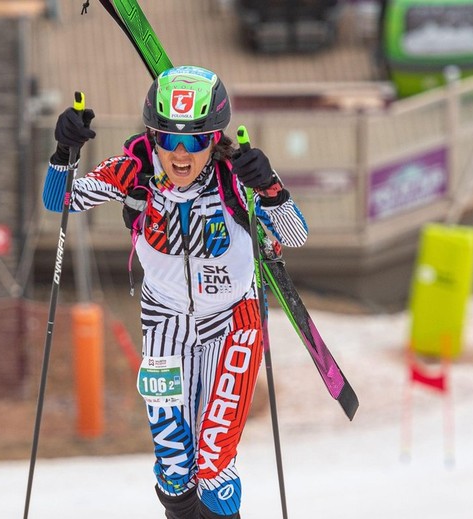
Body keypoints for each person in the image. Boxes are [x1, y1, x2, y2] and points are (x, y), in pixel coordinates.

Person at [42, 65, 308, 519]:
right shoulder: (135, 170)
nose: (180, 155)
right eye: (168, 140)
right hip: (164, 323)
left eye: (195, 141)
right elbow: (59, 199)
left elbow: (295, 235)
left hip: (232, 324)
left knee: (214, 464)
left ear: (214, 139)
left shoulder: (237, 174)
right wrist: (64, 150)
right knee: (174, 467)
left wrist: (270, 187)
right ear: (152, 135)